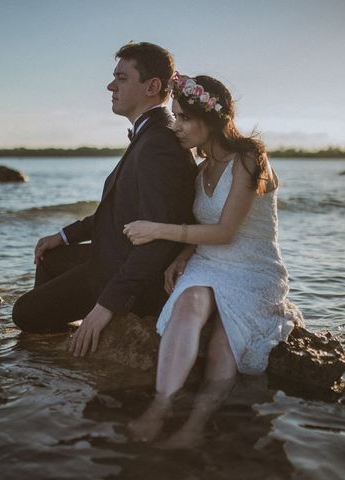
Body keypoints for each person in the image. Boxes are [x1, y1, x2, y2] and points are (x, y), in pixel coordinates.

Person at [123, 73, 304, 443]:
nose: (176, 126)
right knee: (189, 302)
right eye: (173, 116)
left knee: (226, 341)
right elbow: (202, 227)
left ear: (211, 118)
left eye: (184, 117)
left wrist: (158, 229)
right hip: (207, 262)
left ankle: (195, 424)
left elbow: (225, 231)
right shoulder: (200, 170)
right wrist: (184, 254)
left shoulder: (251, 157)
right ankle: (161, 405)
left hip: (253, 268)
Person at [12, 43, 197, 355]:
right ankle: (59, 347)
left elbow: (161, 237)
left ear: (152, 86)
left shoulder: (158, 143)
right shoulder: (150, 133)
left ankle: (79, 342)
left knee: (22, 314)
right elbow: (118, 211)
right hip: (111, 256)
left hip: (130, 276)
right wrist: (62, 235)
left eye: (121, 78)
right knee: (49, 256)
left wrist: (107, 304)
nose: (110, 86)